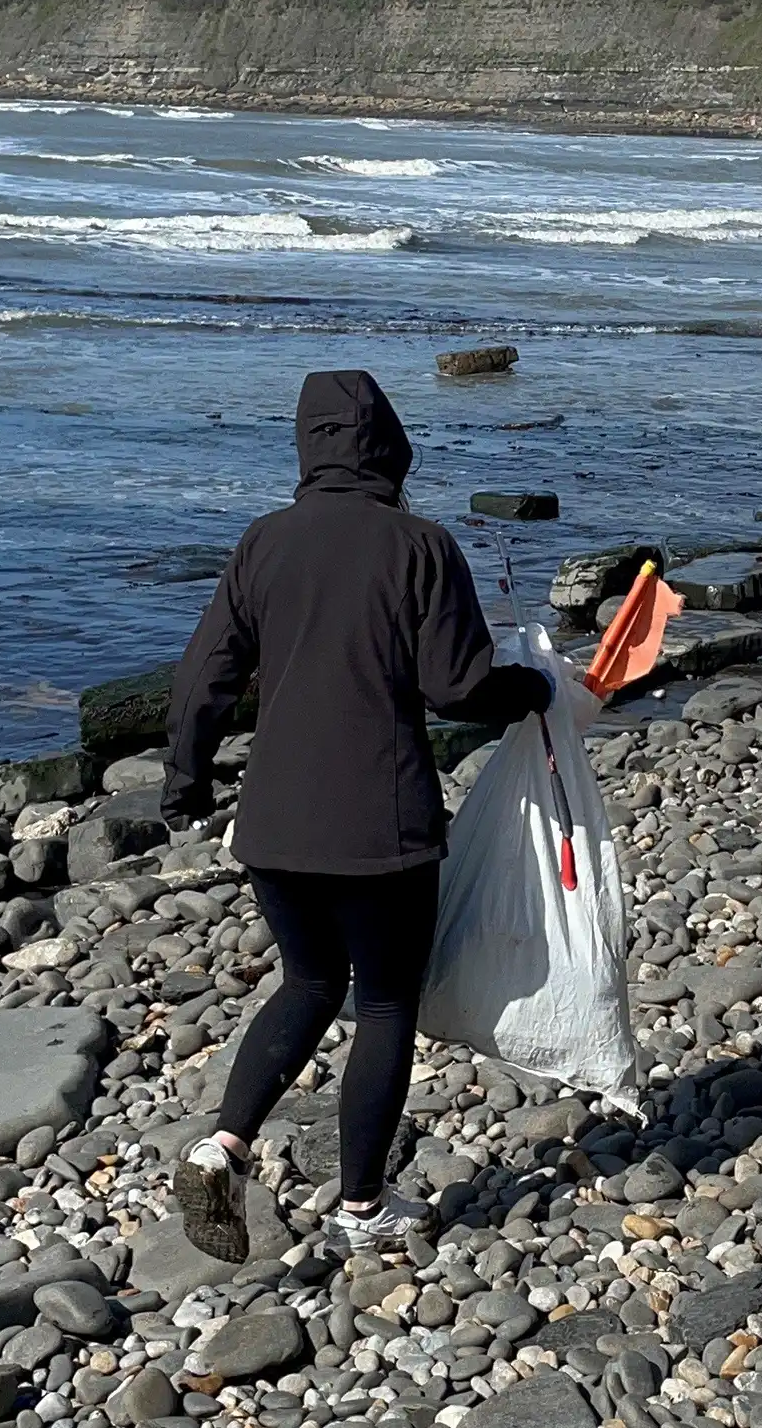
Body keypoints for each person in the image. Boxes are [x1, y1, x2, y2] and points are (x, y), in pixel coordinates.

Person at [161, 370, 553, 1260]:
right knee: (382, 1003)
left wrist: (185, 785)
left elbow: (200, 681)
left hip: (274, 826)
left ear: (308, 448)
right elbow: (459, 688)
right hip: (382, 826)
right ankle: (363, 1208)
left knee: (305, 982)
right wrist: (533, 687)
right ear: (390, 446)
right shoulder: (420, 544)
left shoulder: (263, 543)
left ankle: (223, 1145)